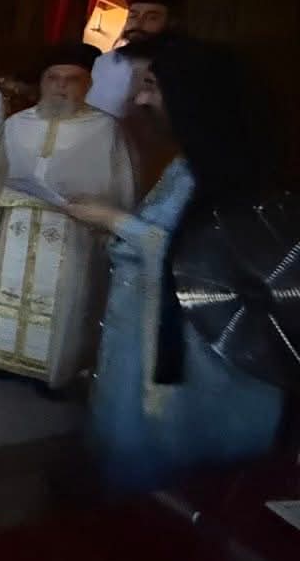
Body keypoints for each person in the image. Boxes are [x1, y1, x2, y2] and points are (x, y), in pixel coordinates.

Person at [67, 36, 286, 492]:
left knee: (176, 479)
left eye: (150, 86)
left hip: (193, 364)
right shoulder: (187, 164)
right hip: (147, 340)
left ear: (191, 95)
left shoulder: (232, 174)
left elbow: (207, 264)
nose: (139, 100)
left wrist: (114, 220)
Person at [0, 43, 133, 388]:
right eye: (53, 78)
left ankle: (54, 370)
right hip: (17, 223)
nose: (61, 86)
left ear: (88, 84)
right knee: (8, 289)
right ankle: (1, 357)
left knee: (64, 299)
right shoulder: (16, 124)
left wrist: (98, 212)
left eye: (72, 79)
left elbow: (120, 187)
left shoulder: (106, 128)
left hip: (73, 229)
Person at [85, 0, 181, 119]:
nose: (138, 23)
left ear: (171, 23)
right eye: (133, 16)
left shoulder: (181, 65)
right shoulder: (105, 62)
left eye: (152, 18)